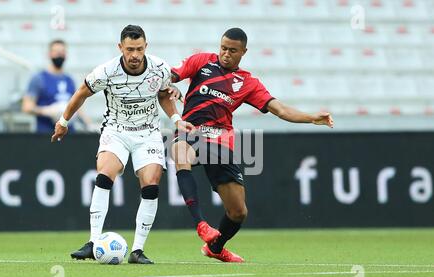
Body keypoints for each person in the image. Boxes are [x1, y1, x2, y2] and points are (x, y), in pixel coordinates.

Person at [170, 28, 334, 263]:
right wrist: (171, 85)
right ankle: (201, 224)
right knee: (180, 152)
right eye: (223, 48)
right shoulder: (201, 61)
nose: (226, 54)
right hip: (191, 131)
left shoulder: (247, 82)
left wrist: (311, 117)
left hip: (220, 142)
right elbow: (169, 76)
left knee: (238, 212)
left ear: (243, 52)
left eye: (232, 50)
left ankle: (216, 248)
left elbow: (280, 110)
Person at [51, 25, 193, 264]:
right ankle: (93, 241)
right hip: (116, 130)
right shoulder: (107, 71)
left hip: (148, 133)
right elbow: (82, 92)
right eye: (130, 49)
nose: (135, 55)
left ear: (146, 46)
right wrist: (64, 121)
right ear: (121, 48)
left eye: (139, 49)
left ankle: (137, 251)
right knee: (105, 173)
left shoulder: (159, 68)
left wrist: (177, 119)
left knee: (151, 184)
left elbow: (163, 94)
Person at [22, 39, 91, 133]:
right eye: (56, 52)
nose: (59, 55)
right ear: (49, 54)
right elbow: (27, 107)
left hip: (69, 133)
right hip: (45, 132)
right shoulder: (39, 78)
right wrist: (47, 111)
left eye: (62, 52)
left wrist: (89, 125)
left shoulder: (69, 80)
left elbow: (77, 106)